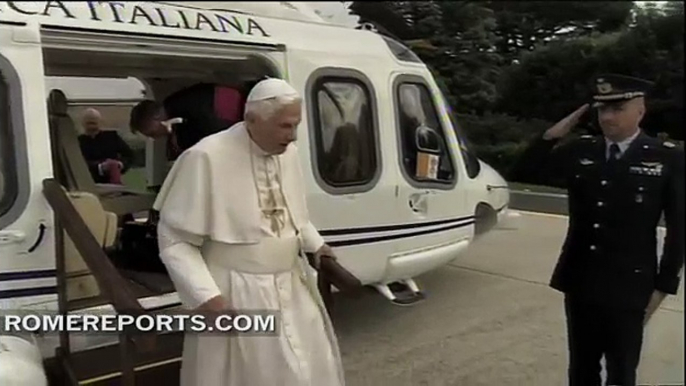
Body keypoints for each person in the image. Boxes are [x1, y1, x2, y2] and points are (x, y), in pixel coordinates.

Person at [152, 78, 346, 386]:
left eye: (296, 125)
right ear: (251, 120)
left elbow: (290, 211)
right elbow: (175, 241)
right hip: (235, 292)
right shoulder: (205, 157)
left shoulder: (289, 153)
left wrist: (316, 245)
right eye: (285, 126)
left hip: (291, 284)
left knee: (306, 370)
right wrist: (207, 298)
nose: (293, 136)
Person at [510, 74, 684, 386]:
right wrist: (557, 130)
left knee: (621, 371)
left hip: (630, 286)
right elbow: (524, 170)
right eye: (602, 110)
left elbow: (679, 227)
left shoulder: (666, 157)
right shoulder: (581, 151)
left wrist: (664, 285)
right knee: (581, 370)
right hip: (581, 280)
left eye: (617, 109)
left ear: (640, 111)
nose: (607, 117)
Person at [77, 108, 134, 184]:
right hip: (88, 182)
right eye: (89, 122)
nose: (91, 125)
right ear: (83, 123)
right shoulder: (77, 142)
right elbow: (77, 163)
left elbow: (130, 155)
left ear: (100, 122)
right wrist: (99, 167)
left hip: (113, 182)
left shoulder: (112, 137)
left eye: (94, 122)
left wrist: (120, 164)